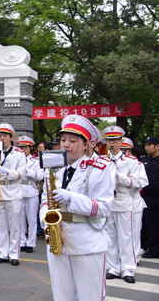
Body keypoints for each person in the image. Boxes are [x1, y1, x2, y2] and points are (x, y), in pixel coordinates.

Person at [40, 115, 114, 301]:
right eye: (63, 140)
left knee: (91, 296)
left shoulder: (102, 167)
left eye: (73, 141)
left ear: (86, 145)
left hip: (87, 241)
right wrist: (44, 217)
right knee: (62, 296)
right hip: (58, 240)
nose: (66, 145)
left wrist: (72, 198)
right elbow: (44, 199)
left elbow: (104, 207)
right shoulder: (55, 166)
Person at [103, 126, 142, 283]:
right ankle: (113, 267)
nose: (111, 143)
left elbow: (139, 182)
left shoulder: (131, 161)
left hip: (124, 199)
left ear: (121, 141)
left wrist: (120, 177)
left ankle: (128, 268)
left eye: (114, 140)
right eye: (109, 140)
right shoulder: (101, 160)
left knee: (126, 236)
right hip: (107, 202)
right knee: (110, 236)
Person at [0, 124, 26, 266]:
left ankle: (14, 254)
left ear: (11, 138)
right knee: (1, 225)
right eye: (0, 136)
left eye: (5, 136)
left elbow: (22, 174)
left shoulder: (19, 154)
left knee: (14, 226)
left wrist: (8, 172)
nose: (2, 138)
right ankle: (2, 253)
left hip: (13, 191)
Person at [121, 138, 148, 264]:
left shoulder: (138, 164)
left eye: (126, 150)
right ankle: (122, 258)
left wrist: (129, 182)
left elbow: (143, 181)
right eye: (121, 150)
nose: (124, 152)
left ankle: (134, 257)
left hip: (134, 201)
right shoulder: (113, 164)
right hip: (119, 203)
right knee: (121, 233)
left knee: (134, 232)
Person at [18, 136, 43, 254]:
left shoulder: (36, 161)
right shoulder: (17, 160)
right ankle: (22, 242)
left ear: (30, 148)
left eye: (25, 147)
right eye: (21, 147)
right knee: (20, 219)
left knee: (31, 219)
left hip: (31, 190)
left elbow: (40, 175)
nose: (23, 150)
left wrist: (27, 172)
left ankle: (31, 243)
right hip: (19, 190)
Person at [141, 136, 159, 259]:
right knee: (151, 224)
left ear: (158, 146)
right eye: (145, 145)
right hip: (148, 197)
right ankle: (154, 249)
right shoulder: (143, 161)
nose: (147, 147)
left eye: (149, 145)